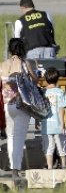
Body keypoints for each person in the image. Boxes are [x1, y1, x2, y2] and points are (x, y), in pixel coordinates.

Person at [1, 38, 39, 178]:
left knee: (10, 137)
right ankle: (15, 170)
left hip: (6, 106)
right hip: (21, 105)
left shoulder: (3, 65)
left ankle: (13, 167)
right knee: (19, 138)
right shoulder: (24, 63)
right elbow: (35, 80)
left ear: (10, 50)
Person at [41, 68, 66, 169]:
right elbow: (61, 109)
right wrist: (63, 124)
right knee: (61, 146)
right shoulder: (60, 92)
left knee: (48, 147)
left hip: (45, 125)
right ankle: (64, 165)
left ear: (45, 79)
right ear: (58, 79)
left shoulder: (43, 92)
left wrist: (37, 121)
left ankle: (49, 167)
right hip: (57, 125)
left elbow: (38, 108)